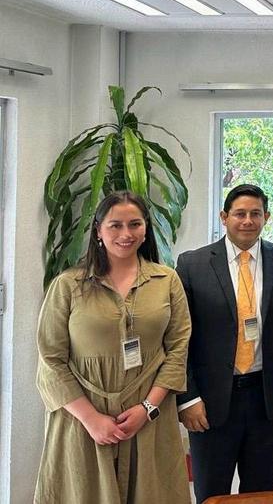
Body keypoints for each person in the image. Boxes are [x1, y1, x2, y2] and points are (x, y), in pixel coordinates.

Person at [35, 191, 191, 503]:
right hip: (83, 420)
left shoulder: (167, 281)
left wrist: (147, 409)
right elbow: (51, 359)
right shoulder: (68, 285)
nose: (126, 234)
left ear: (145, 229)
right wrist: (91, 419)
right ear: (98, 230)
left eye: (135, 224)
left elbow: (178, 349)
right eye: (115, 225)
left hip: (148, 419)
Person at [176, 184, 273, 503]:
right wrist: (187, 398)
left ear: (266, 217)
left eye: (255, 214)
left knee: (261, 494)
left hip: (268, 400)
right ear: (224, 217)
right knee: (212, 494)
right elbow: (179, 339)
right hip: (210, 404)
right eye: (239, 214)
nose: (248, 220)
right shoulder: (193, 265)